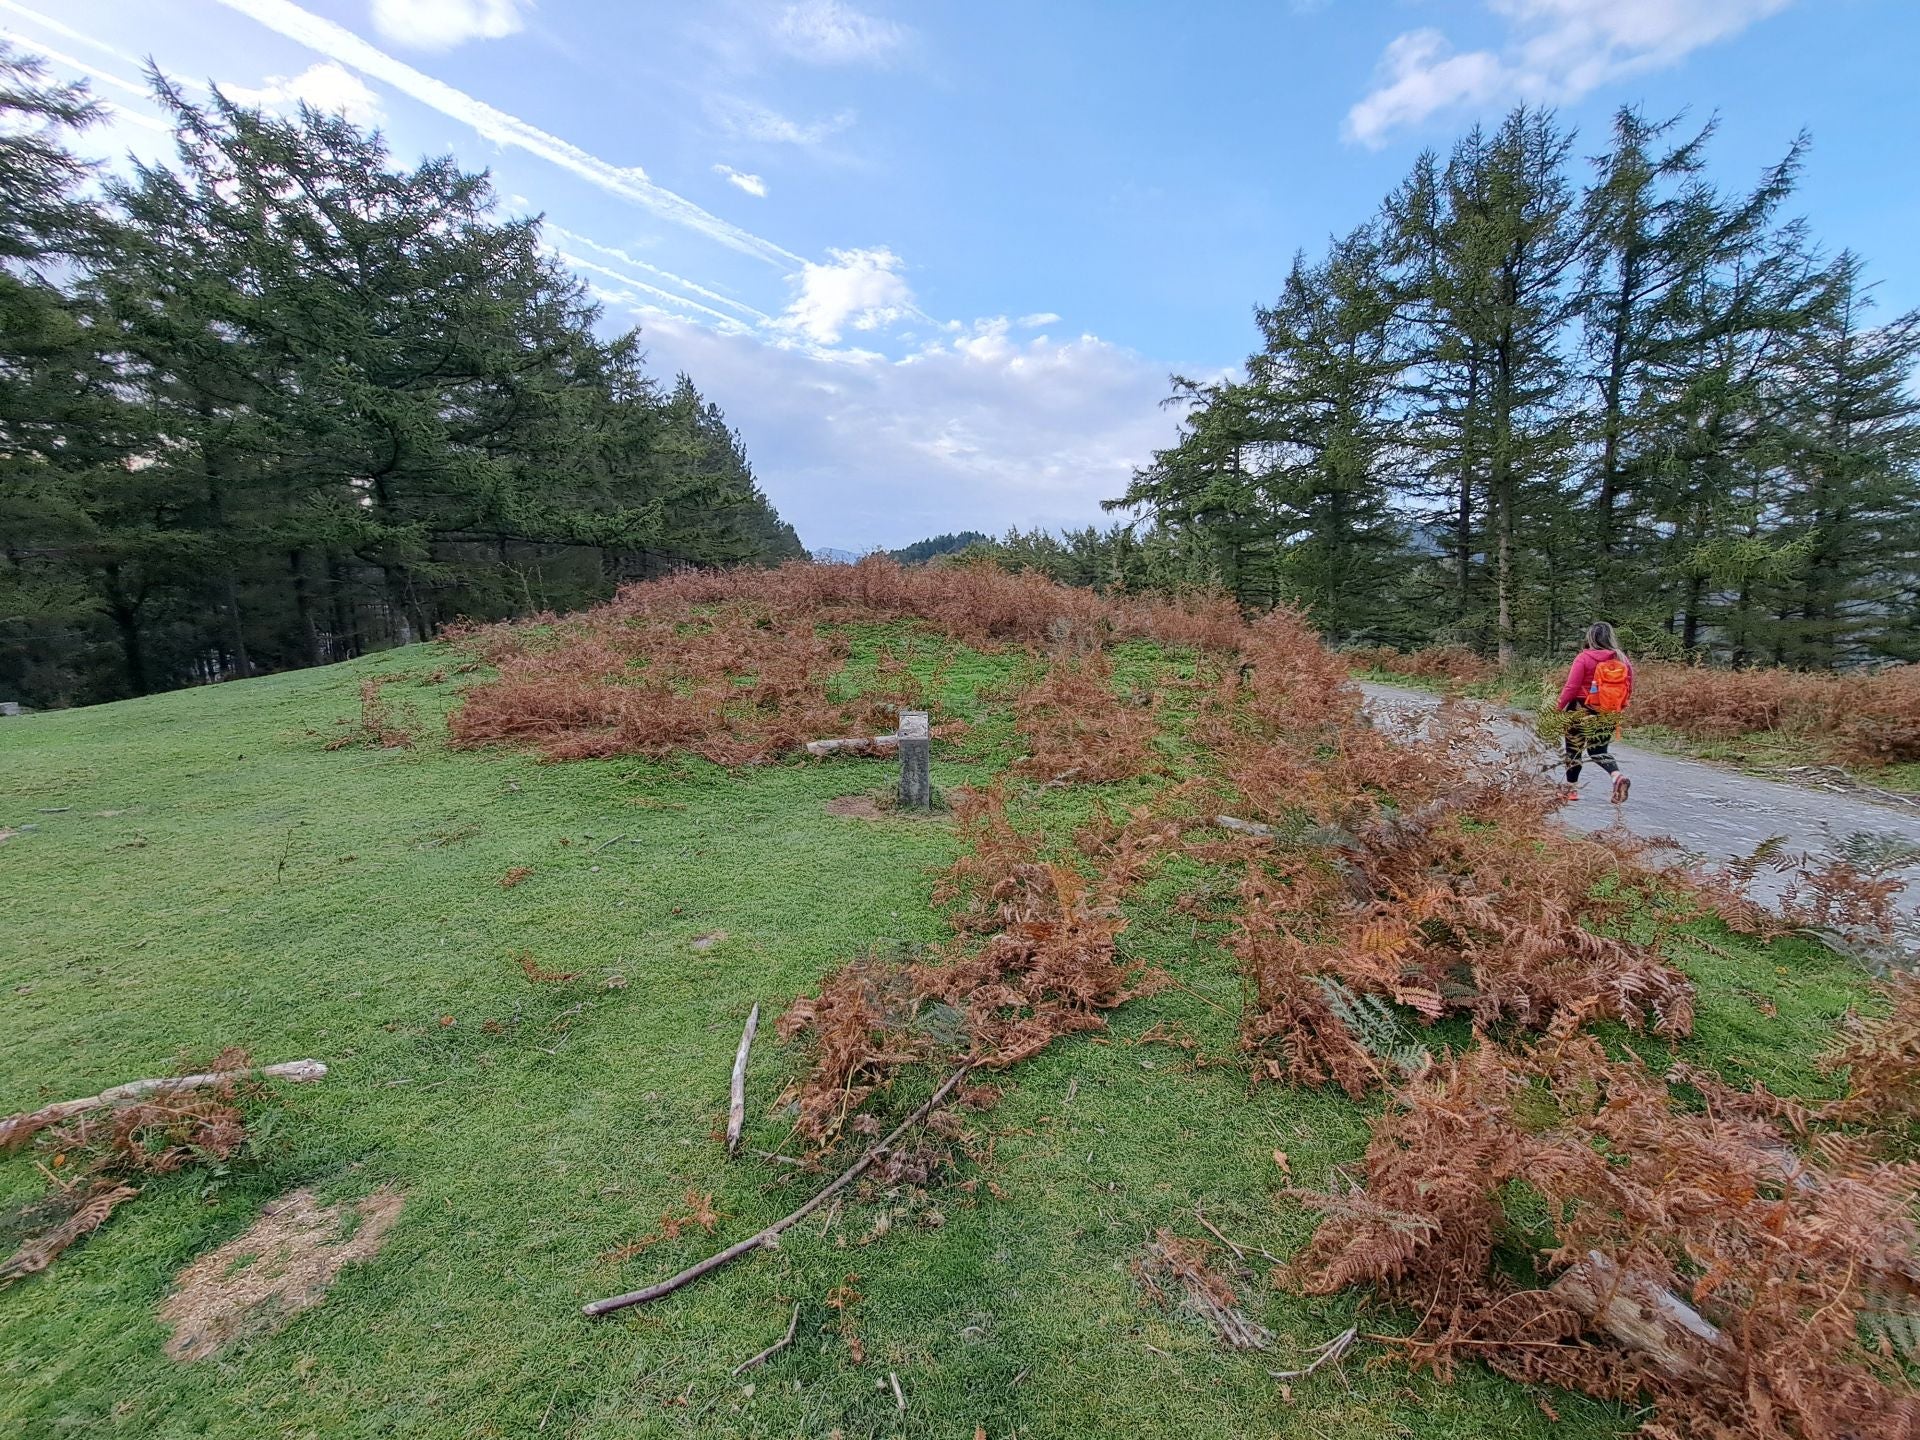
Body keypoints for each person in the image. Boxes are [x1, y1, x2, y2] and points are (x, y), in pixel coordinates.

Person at [1556, 621, 1633, 803]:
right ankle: (1616, 776)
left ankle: (1571, 791)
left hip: (1580, 709)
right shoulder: (1622, 659)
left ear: (1590, 637)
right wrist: (1618, 707)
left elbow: (1572, 687)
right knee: (1599, 750)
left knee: (1573, 750)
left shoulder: (1583, 658)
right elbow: (1629, 687)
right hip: (1608, 711)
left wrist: (1558, 708)